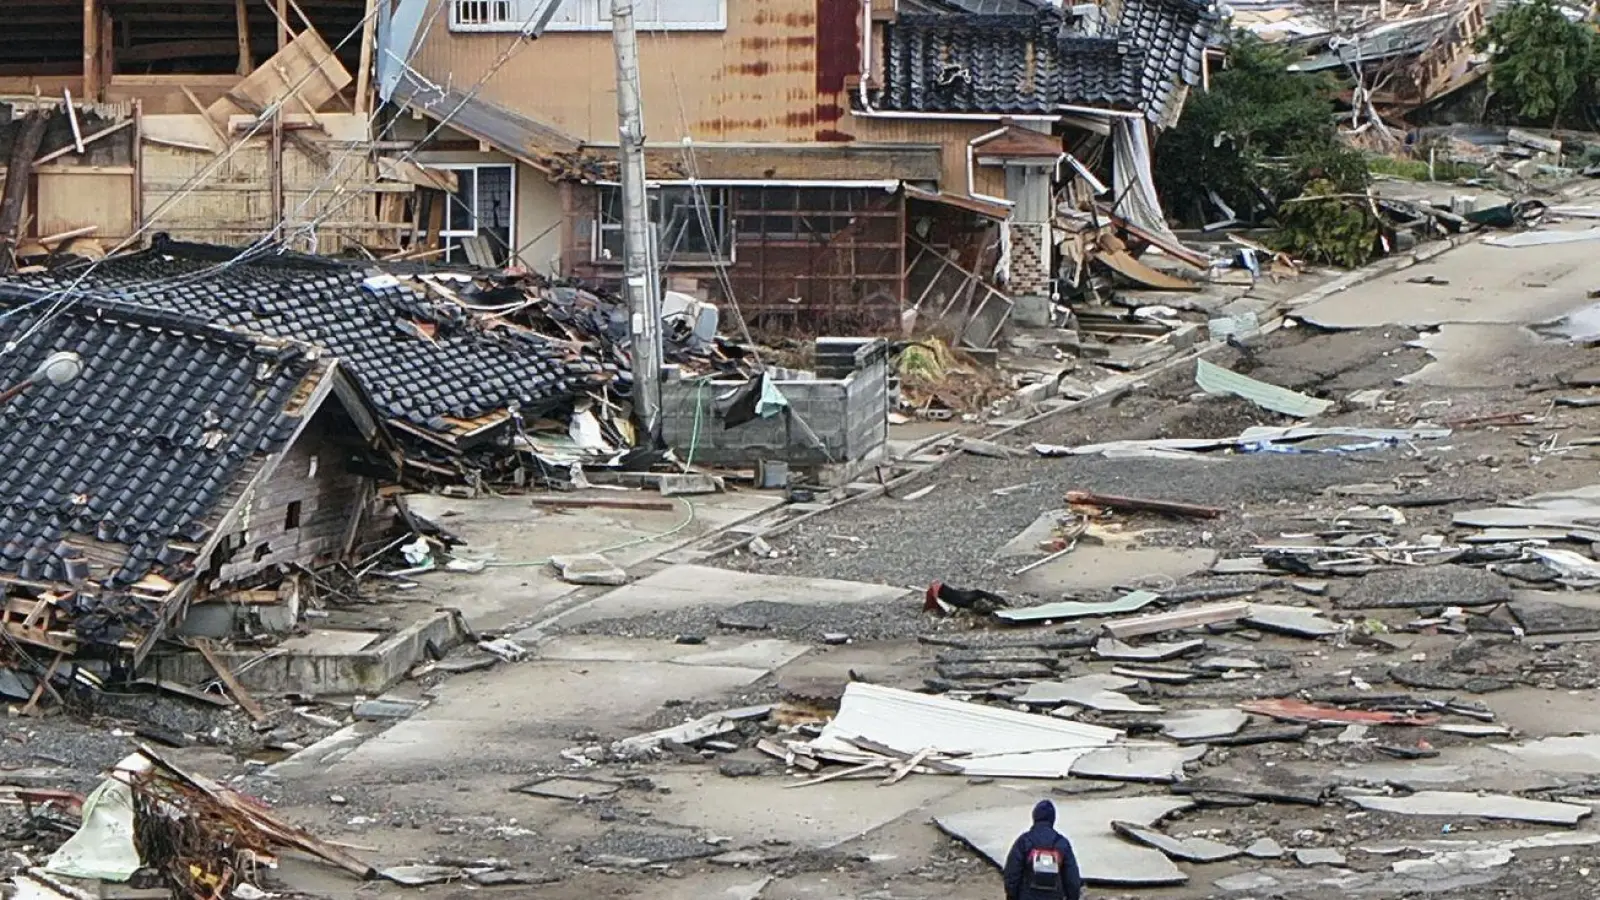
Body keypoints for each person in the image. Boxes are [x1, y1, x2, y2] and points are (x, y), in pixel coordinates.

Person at [1003, 800, 1083, 900]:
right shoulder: (1062, 843)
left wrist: (1012, 895)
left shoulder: (1024, 841)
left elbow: (1012, 873)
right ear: (1053, 819)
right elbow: (1072, 879)